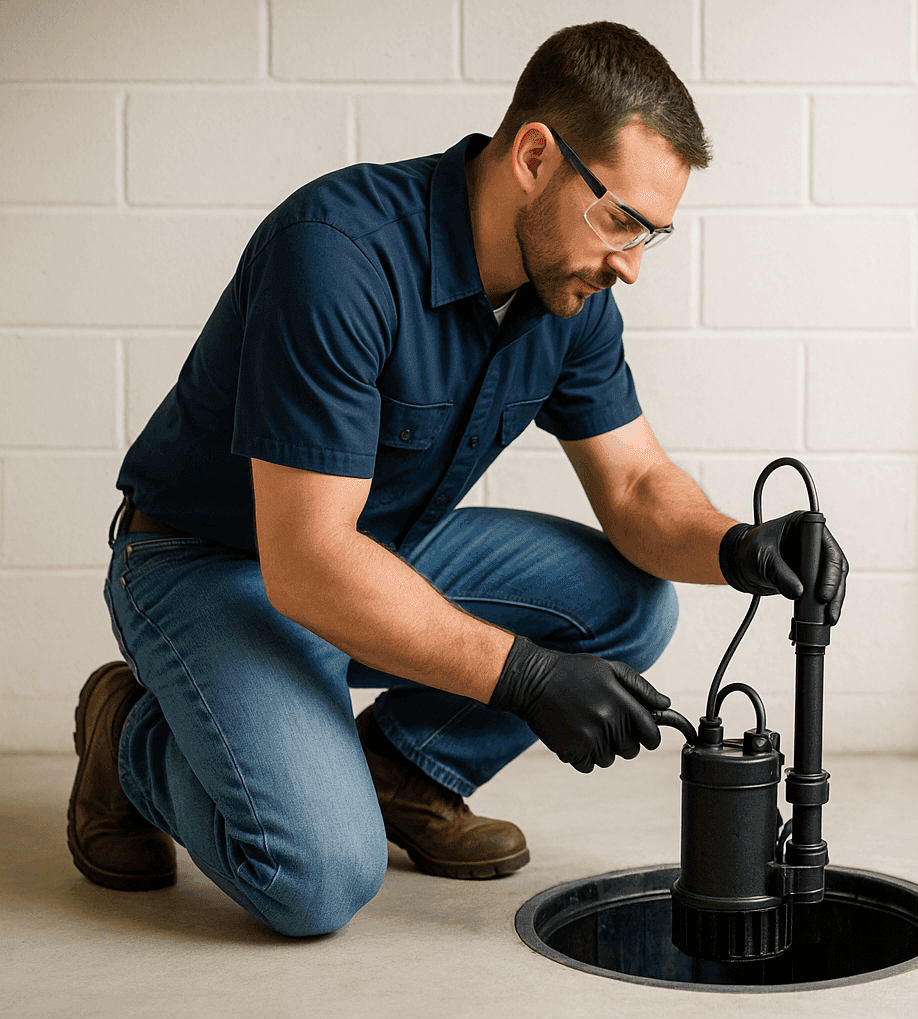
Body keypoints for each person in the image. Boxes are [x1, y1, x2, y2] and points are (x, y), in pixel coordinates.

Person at [67, 21, 846, 938]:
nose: (631, 263)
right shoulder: (339, 256)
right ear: (533, 156)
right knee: (315, 880)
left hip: (378, 551)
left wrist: (740, 546)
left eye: (654, 234)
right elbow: (309, 563)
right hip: (211, 567)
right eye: (622, 219)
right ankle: (127, 736)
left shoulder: (569, 292)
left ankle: (405, 772)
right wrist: (520, 676)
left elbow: (635, 486)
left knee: (633, 603)